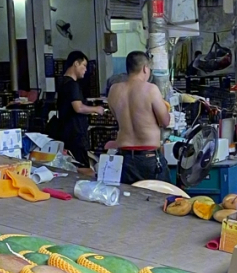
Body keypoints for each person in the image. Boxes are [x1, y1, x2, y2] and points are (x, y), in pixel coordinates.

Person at [107, 50, 171, 183]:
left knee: (129, 200)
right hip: (148, 158)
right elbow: (165, 121)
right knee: (161, 199)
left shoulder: (113, 90)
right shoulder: (151, 89)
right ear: (144, 69)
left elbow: (117, 118)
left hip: (124, 158)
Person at [55, 51, 103, 168]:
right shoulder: (72, 85)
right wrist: (96, 109)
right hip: (75, 135)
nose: (85, 70)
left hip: (66, 134)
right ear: (76, 63)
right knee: (83, 169)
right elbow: (78, 107)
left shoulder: (62, 83)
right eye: (84, 66)